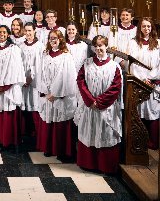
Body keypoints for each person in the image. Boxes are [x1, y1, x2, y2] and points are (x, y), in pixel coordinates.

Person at [75, 35, 122, 174]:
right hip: (90, 107)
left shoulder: (114, 66)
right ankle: (88, 163)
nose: (99, 48)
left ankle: (105, 165)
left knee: (105, 133)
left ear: (106, 46)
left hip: (106, 108)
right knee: (89, 131)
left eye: (101, 45)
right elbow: (81, 82)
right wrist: (90, 100)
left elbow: (115, 87)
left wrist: (100, 102)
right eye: (96, 46)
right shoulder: (87, 63)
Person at [36, 29, 77, 161]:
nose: (53, 41)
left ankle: (61, 150)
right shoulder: (45, 55)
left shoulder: (66, 56)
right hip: (48, 94)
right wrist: (46, 92)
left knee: (60, 121)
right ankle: (48, 148)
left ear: (60, 40)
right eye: (51, 38)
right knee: (48, 119)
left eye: (55, 38)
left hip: (60, 96)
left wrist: (56, 93)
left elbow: (68, 77)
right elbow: (40, 74)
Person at [128, 18, 160, 149]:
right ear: (139, 28)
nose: (146, 29)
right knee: (139, 113)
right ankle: (139, 142)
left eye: (148, 26)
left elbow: (158, 64)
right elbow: (132, 63)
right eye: (144, 26)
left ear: (152, 28)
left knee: (152, 112)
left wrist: (151, 79)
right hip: (138, 83)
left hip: (153, 84)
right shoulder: (133, 43)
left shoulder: (158, 43)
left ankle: (153, 143)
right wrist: (141, 80)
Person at [19, 22, 44, 139]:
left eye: (30, 31)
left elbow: (40, 65)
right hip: (23, 80)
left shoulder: (40, 46)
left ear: (34, 31)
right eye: (26, 31)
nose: (28, 33)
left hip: (35, 82)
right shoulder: (20, 46)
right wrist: (23, 78)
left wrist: (31, 77)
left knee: (34, 105)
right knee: (24, 105)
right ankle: (25, 132)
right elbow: (18, 63)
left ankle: (36, 134)